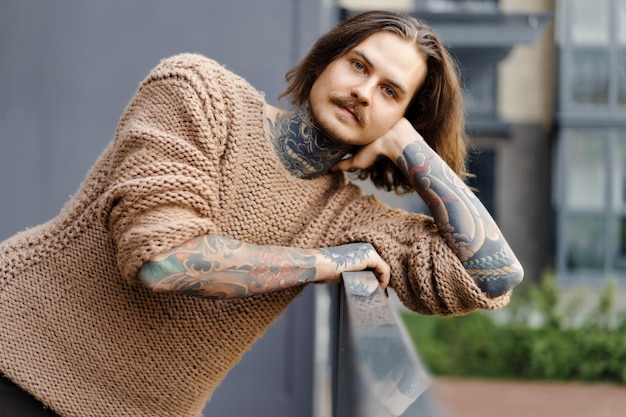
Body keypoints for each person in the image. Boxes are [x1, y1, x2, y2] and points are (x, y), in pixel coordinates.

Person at [0, 10, 523, 417]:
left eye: (390, 92)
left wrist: (414, 148)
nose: (363, 92)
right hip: (15, 357)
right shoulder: (199, 93)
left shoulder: (350, 216)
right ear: (326, 60)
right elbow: (163, 258)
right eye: (358, 66)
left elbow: (495, 275)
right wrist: (327, 261)